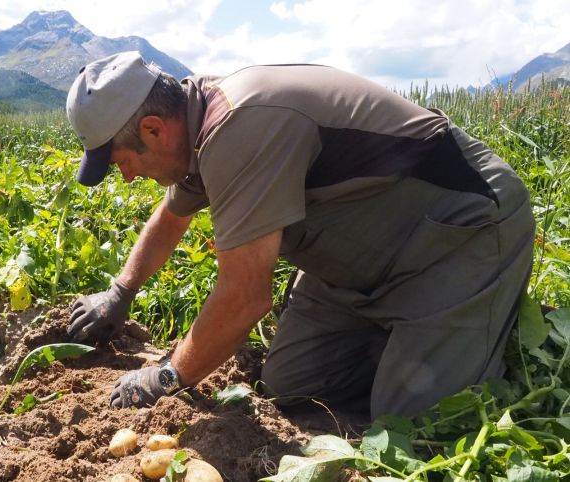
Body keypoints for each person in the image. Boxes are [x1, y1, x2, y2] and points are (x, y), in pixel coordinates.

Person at [64, 51, 535, 418]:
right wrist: (120, 292)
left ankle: (476, 329)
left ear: (152, 129)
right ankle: (405, 340)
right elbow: (172, 218)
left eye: (122, 163)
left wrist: (167, 378)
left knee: (413, 422)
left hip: (456, 236)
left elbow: (245, 297)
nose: (126, 178)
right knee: (291, 387)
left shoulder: (240, 125)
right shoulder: (192, 123)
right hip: (357, 263)